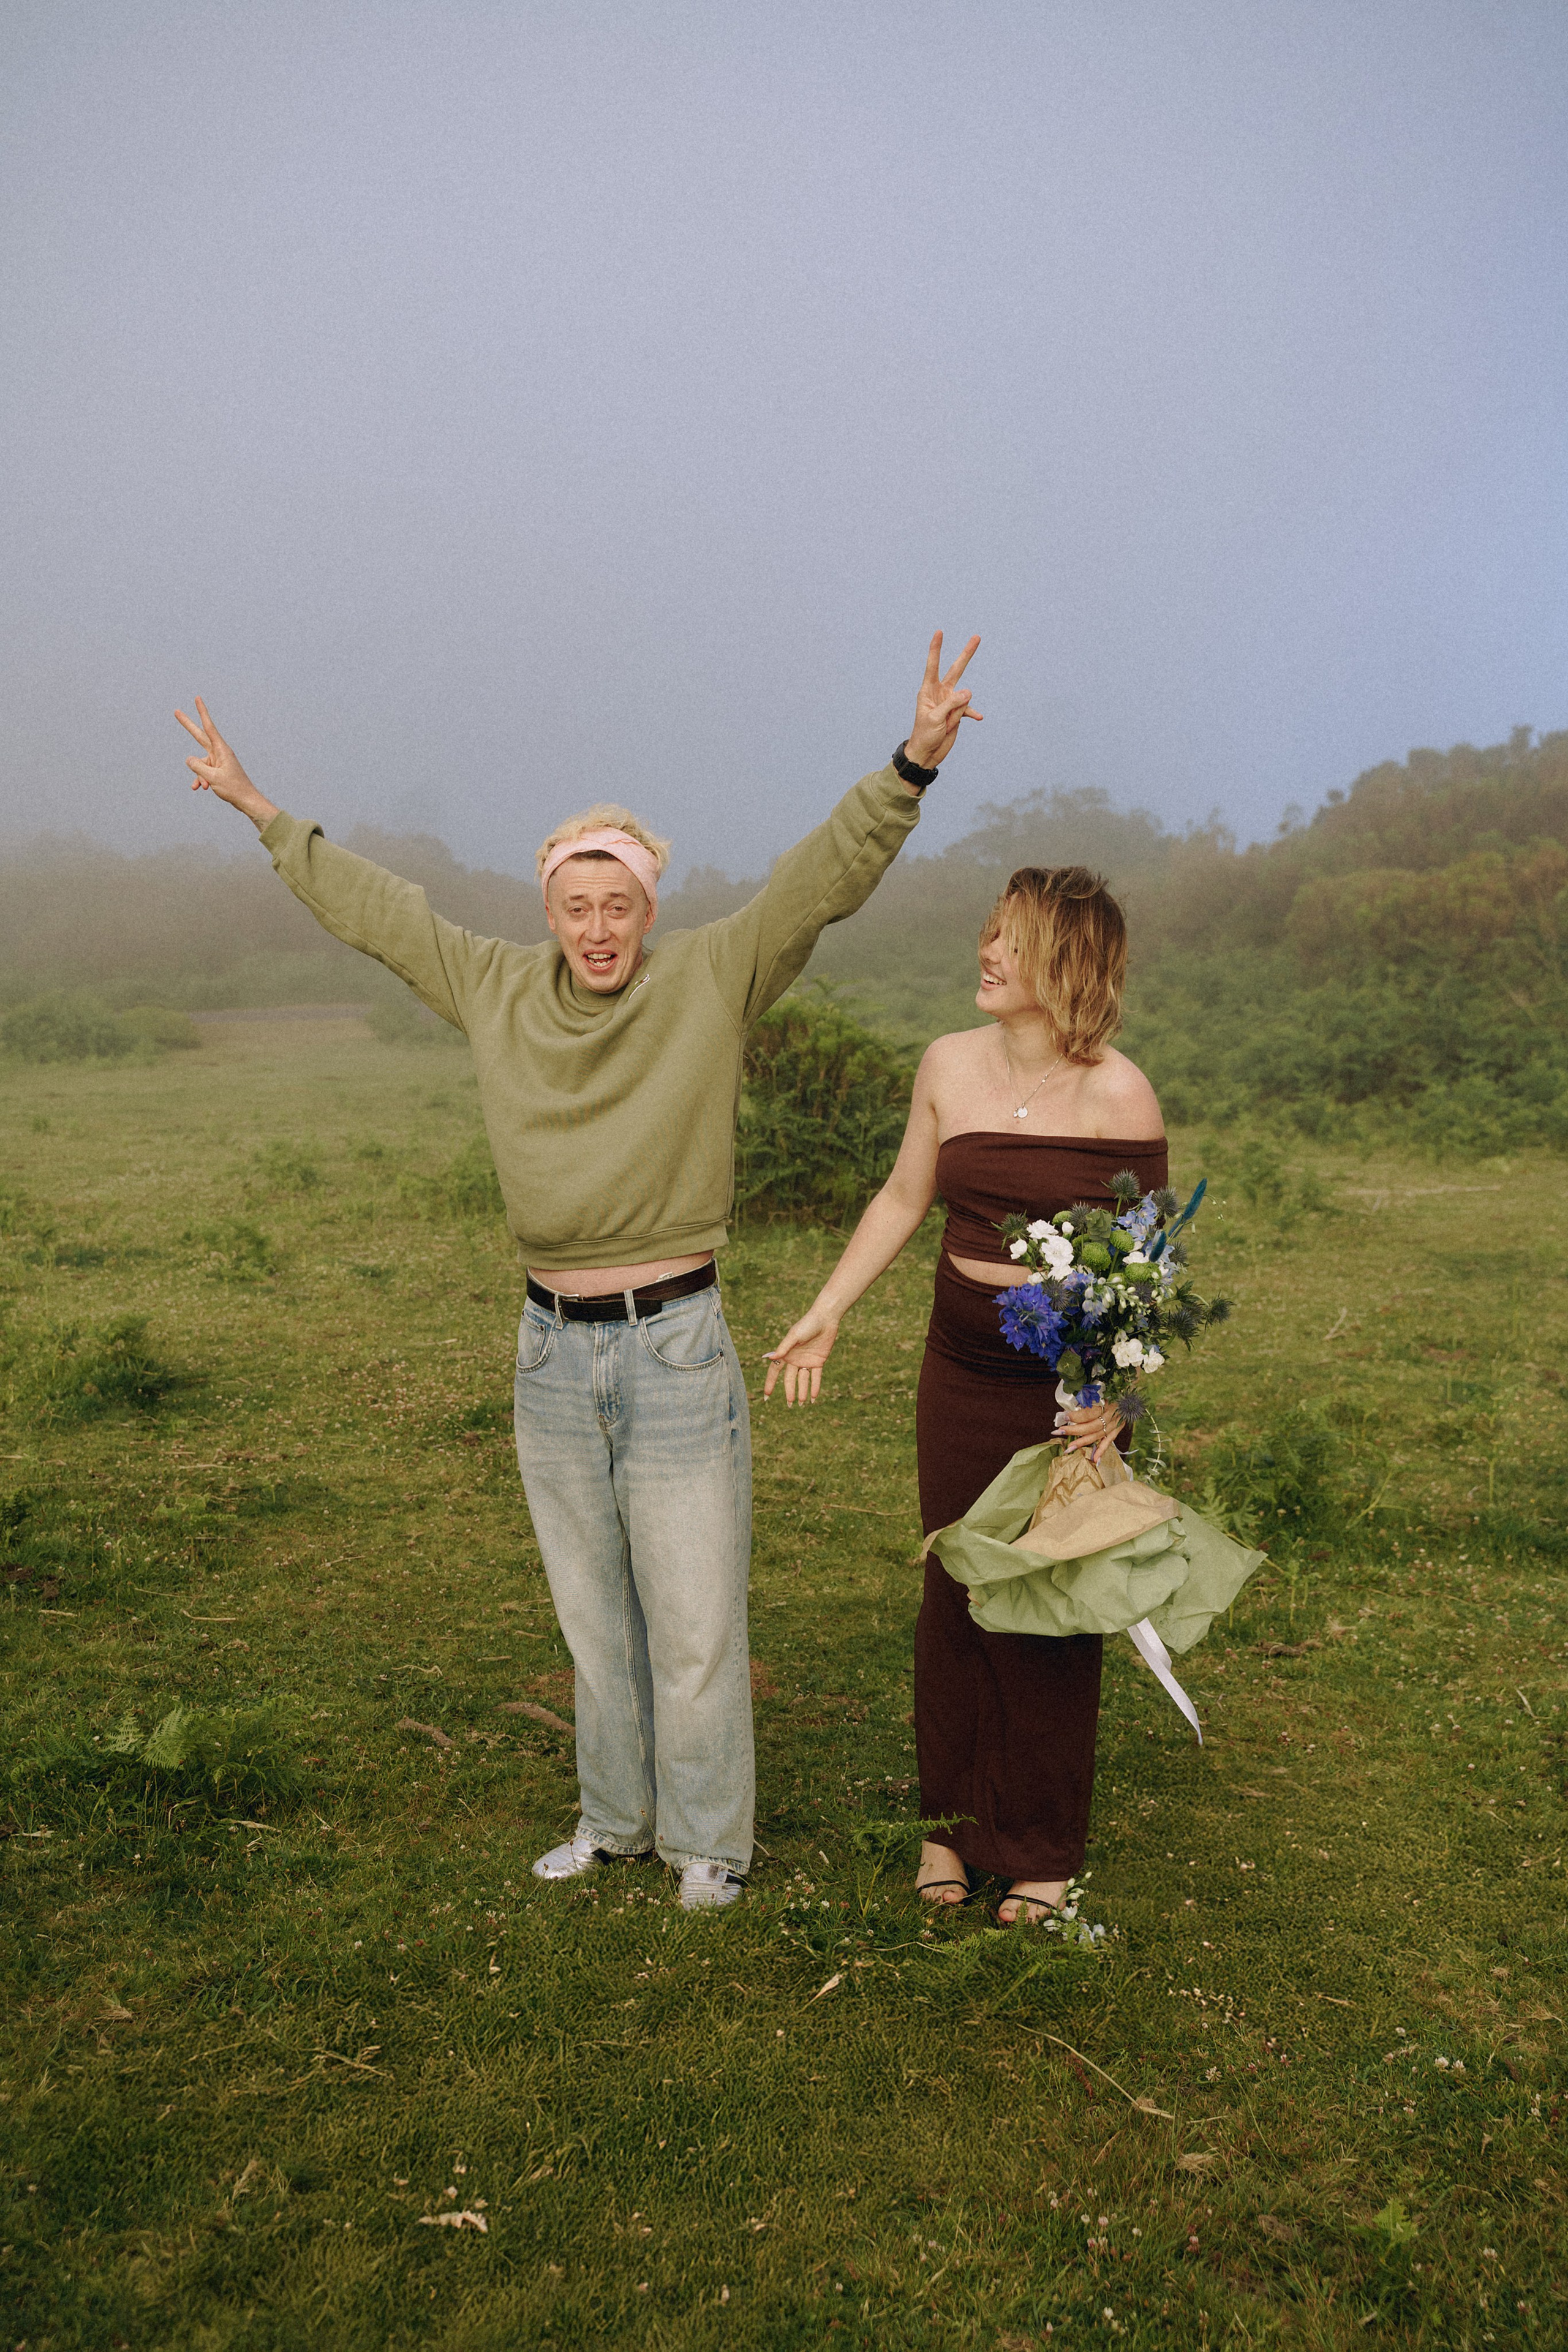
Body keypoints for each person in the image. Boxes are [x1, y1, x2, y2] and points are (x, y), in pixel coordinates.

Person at [175, 633, 980, 1909]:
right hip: (548, 1347)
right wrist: (261, 809)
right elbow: (381, 913)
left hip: (672, 1343)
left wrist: (911, 761)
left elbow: (816, 882)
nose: (597, 930)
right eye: (575, 907)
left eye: (618, 907)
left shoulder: (712, 977)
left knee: (697, 1617)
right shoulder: (494, 985)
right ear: (546, 910)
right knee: (592, 1618)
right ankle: (613, 1821)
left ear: (646, 911)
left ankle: (707, 1842)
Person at [764, 865, 1166, 1922]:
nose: (986, 953)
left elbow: (1143, 1257)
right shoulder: (949, 1062)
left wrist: (1115, 1399)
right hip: (957, 1374)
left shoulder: (1119, 1092)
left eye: (1013, 941)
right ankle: (947, 1831)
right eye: (989, 934)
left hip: (1055, 1391)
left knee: (1047, 1601)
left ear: (1067, 963)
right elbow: (906, 1194)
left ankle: (1038, 1847)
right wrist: (830, 1307)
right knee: (955, 1591)